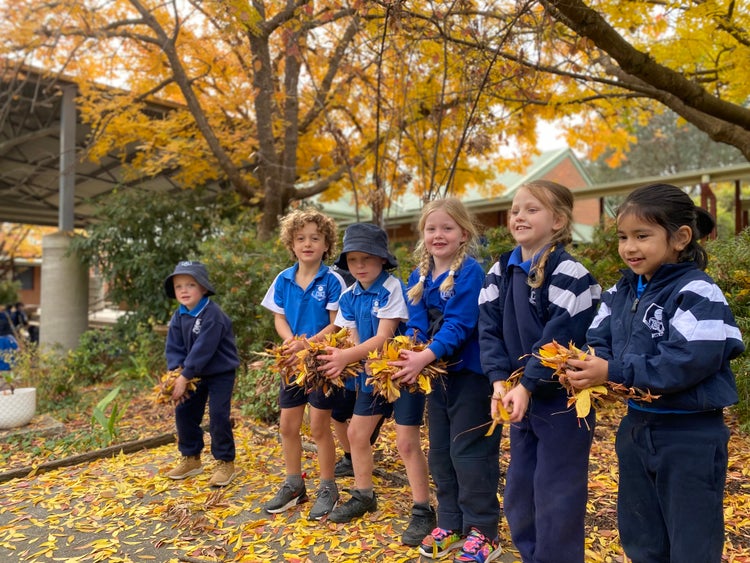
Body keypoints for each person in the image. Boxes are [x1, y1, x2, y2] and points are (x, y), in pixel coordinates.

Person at [565, 183, 744, 563]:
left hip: (690, 436)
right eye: (623, 237)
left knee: (692, 539)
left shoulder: (698, 292)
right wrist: (587, 368)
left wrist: (612, 370)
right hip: (636, 430)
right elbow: (598, 339)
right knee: (641, 535)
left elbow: (687, 361)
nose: (630, 247)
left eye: (642, 236)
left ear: (679, 237)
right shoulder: (620, 293)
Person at [478, 181, 602, 563]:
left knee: (557, 493)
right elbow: (488, 328)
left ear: (558, 221)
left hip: (562, 403)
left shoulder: (570, 272)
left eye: (532, 209)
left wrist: (528, 385)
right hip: (519, 398)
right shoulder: (500, 269)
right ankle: (533, 555)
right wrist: (500, 382)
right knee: (519, 491)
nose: (519, 216)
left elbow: (558, 338)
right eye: (515, 210)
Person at [391, 197, 502, 562]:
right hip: (437, 376)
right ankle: (451, 522)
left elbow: (460, 324)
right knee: (439, 450)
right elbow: (417, 322)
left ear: (463, 234)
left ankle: (483, 531)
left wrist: (424, 356)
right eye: (431, 228)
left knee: (469, 451)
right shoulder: (419, 276)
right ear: (423, 235)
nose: (438, 235)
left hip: (471, 375)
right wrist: (412, 349)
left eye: (447, 228)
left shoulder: (470, 272)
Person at [318, 223, 433, 546]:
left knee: (406, 441)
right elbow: (352, 335)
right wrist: (346, 358)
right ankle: (364, 494)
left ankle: (422, 509)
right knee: (356, 433)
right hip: (371, 374)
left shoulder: (392, 288)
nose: (360, 266)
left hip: (401, 372)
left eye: (367, 259)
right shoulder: (349, 294)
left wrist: (346, 358)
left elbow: (384, 336)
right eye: (353, 260)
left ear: (383, 260)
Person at [260, 209, 348, 521]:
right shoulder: (283, 279)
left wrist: (307, 344)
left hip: (321, 363)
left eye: (315, 238)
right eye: (301, 238)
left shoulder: (333, 280)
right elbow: (278, 317)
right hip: (292, 364)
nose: (307, 243)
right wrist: (290, 342)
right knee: (287, 426)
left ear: (327, 244)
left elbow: (337, 324)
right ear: (291, 244)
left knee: (320, 426)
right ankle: (294, 484)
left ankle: (328, 487)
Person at [163, 260, 241, 487]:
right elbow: (174, 348)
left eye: (190, 285)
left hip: (220, 372)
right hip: (192, 374)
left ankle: (225, 461)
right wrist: (175, 374)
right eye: (179, 287)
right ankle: (191, 457)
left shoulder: (212, 315)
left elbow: (203, 349)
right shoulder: (179, 316)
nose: (184, 291)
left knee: (218, 416)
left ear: (203, 288)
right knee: (184, 411)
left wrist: (185, 375)